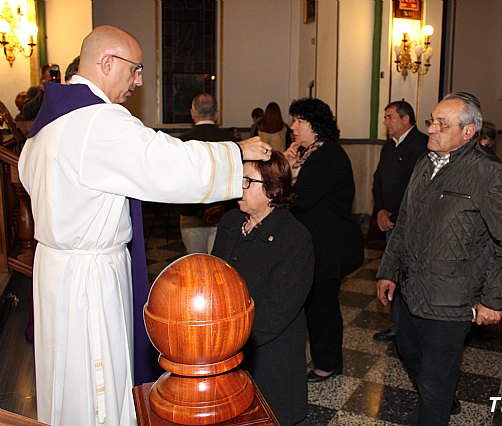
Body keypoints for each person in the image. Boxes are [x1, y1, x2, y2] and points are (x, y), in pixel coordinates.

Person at [17, 25, 271, 426]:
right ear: (106, 63)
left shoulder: (46, 125)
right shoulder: (95, 122)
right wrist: (236, 152)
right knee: (96, 381)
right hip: (89, 278)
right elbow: (165, 162)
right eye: (135, 69)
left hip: (56, 271)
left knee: (65, 374)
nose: (138, 81)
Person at [376, 92, 502, 425]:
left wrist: (494, 299)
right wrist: (388, 270)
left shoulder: (490, 174)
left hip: (452, 300)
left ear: (469, 132)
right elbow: (405, 222)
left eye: (442, 124)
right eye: (432, 120)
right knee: (409, 352)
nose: (431, 129)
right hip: (414, 291)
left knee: (433, 386)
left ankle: (437, 403)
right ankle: (442, 396)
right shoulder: (424, 163)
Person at [211, 152, 314, 425]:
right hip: (227, 348)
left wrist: (229, 341)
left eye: (247, 181)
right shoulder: (231, 221)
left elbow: (276, 312)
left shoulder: (294, 238)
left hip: (266, 353)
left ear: (273, 189)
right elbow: (215, 276)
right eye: (238, 179)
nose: (238, 187)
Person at [284, 97, 364, 382]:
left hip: (328, 246)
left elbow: (299, 199)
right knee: (316, 304)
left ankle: (327, 364)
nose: (293, 126)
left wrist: (286, 173)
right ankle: (325, 359)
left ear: (315, 126)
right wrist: (291, 163)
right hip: (314, 244)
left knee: (322, 307)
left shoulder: (328, 155)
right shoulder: (310, 153)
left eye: (299, 121)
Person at [371, 100, 427, 343]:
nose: (385, 122)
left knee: (408, 274)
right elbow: (378, 181)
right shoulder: (388, 147)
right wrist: (381, 210)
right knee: (392, 272)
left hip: (409, 223)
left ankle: (411, 327)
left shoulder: (421, 145)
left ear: (406, 120)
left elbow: (417, 188)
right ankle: (397, 325)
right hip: (388, 220)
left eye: (390, 117)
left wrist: (395, 216)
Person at [179, 93, 237, 254]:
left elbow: (180, 182)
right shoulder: (230, 141)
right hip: (223, 212)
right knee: (217, 265)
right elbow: (235, 178)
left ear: (192, 113)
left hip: (191, 214)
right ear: (217, 114)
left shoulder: (182, 143)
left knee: (197, 265)